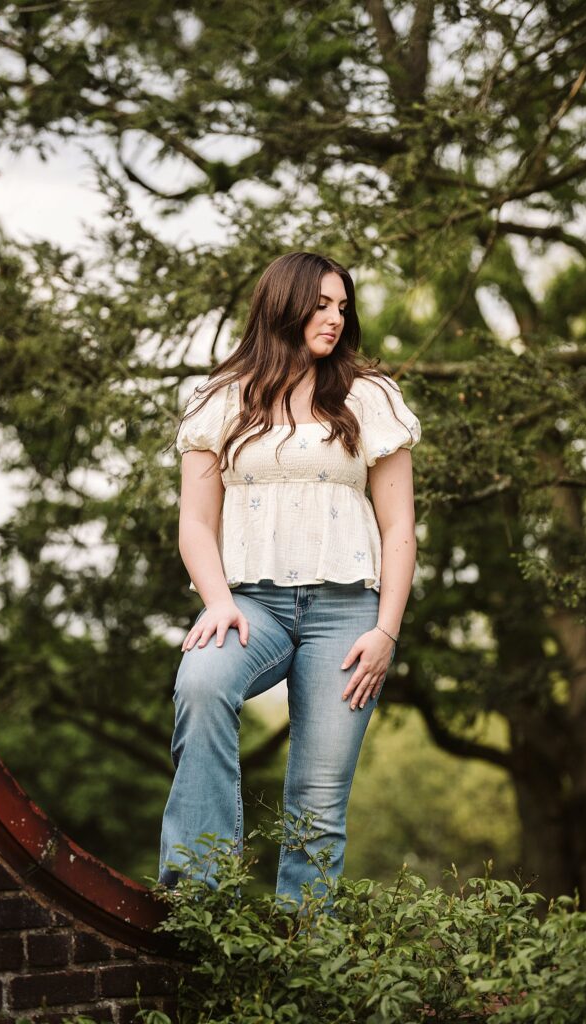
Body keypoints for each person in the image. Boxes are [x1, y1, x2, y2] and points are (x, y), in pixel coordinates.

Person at [158, 251, 421, 904]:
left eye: (342, 306)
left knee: (317, 799)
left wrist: (386, 632)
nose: (334, 318)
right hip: (252, 609)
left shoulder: (369, 398)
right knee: (199, 684)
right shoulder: (220, 400)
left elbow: (398, 530)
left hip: (347, 616)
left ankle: (303, 957)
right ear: (282, 304)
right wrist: (216, 601)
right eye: (320, 304)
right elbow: (195, 523)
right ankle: (201, 899)